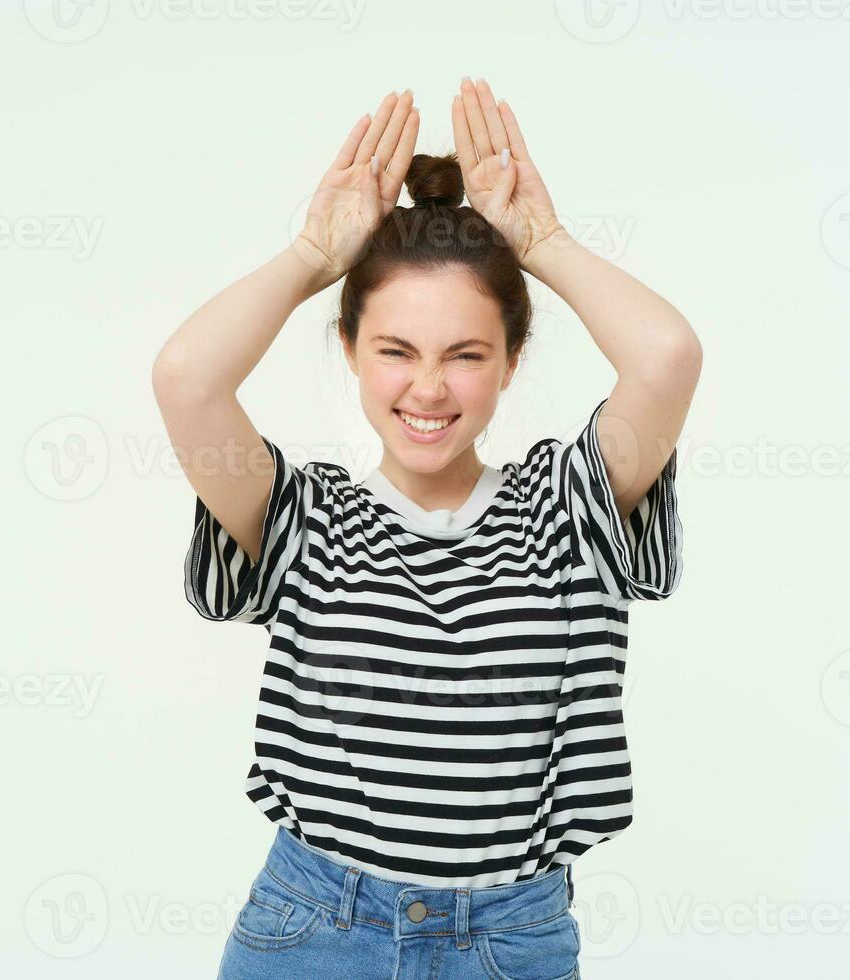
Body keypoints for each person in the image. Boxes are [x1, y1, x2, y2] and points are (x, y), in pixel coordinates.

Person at [152, 77, 702, 980]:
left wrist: (544, 242)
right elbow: (185, 379)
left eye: (466, 355)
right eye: (396, 351)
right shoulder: (303, 519)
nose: (429, 389)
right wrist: (311, 253)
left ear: (513, 360)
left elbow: (667, 355)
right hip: (314, 929)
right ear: (352, 352)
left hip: (510, 939)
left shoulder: (569, 509)